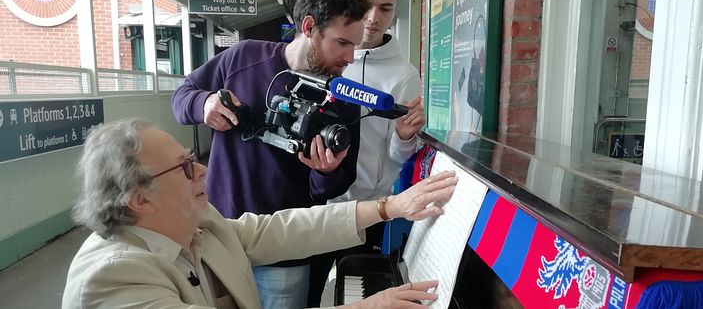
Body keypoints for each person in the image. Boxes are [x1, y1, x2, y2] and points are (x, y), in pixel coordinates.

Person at [61, 119, 458, 309]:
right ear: (139, 199)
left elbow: (277, 230)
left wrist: (389, 207)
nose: (202, 170)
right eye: (184, 167)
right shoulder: (111, 280)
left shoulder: (198, 222)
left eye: (192, 159)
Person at [171, 0, 371, 308]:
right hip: (219, 235)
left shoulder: (344, 100)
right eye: (342, 43)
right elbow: (181, 95)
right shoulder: (243, 57)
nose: (350, 57)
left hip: (285, 252)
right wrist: (203, 103)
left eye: (355, 45)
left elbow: (336, 184)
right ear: (309, 27)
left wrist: (325, 172)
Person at [307, 0, 426, 306]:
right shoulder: (325, 57)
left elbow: (395, 157)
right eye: (367, 4)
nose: (374, 17)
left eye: (386, 8)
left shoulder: (404, 74)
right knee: (311, 292)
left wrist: (404, 137)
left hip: (368, 212)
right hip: (316, 204)